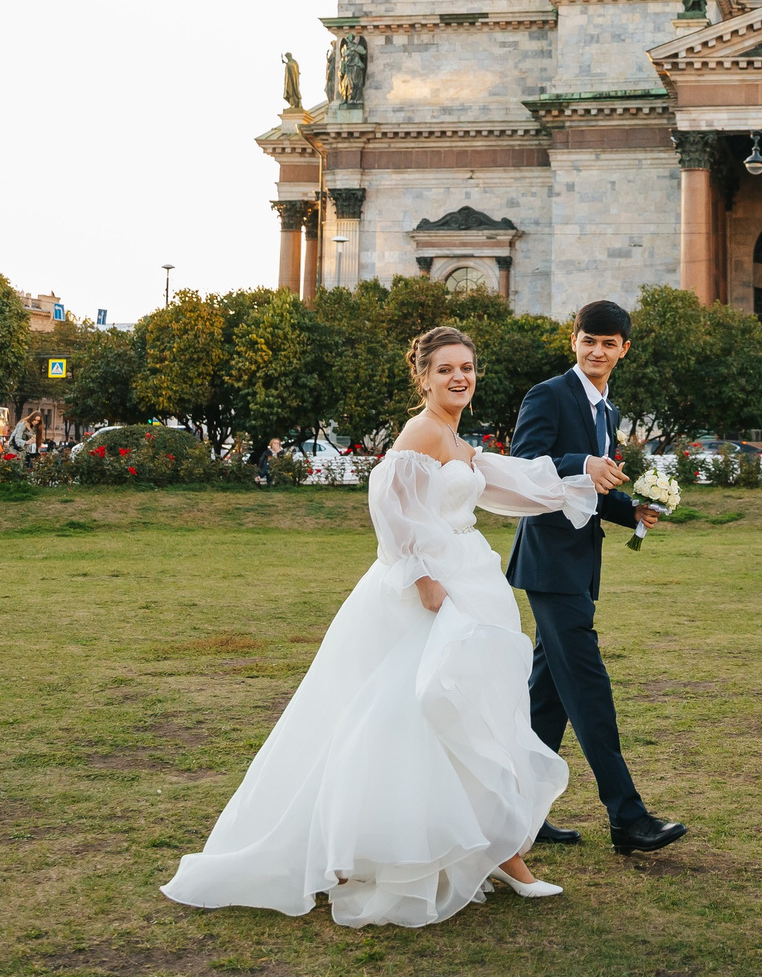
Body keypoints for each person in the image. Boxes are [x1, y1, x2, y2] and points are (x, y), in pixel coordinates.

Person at [161, 326, 608, 925]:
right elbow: (390, 508)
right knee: (410, 710)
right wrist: (423, 578)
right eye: (447, 368)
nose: (460, 378)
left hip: (469, 577)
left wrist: (576, 482)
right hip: (429, 591)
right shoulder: (422, 431)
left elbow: (502, 480)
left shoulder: (453, 434)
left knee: (472, 713)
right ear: (422, 377)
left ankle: (499, 854)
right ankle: (363, 847)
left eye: (468, 368)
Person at [507, 301, 685, 858]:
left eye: (609, 344)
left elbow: (596, 491)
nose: (597, 351)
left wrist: (631, 510)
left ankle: (520, 816)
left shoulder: (607, 410)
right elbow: (523, 461)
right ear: (574, 341)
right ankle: (627, 817)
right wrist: (583, 461)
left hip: (582, 563)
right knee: (588, 686)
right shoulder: (549, 395)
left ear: (623, 350)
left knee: (549, 698)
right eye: (589, 341)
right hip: (548, 565)